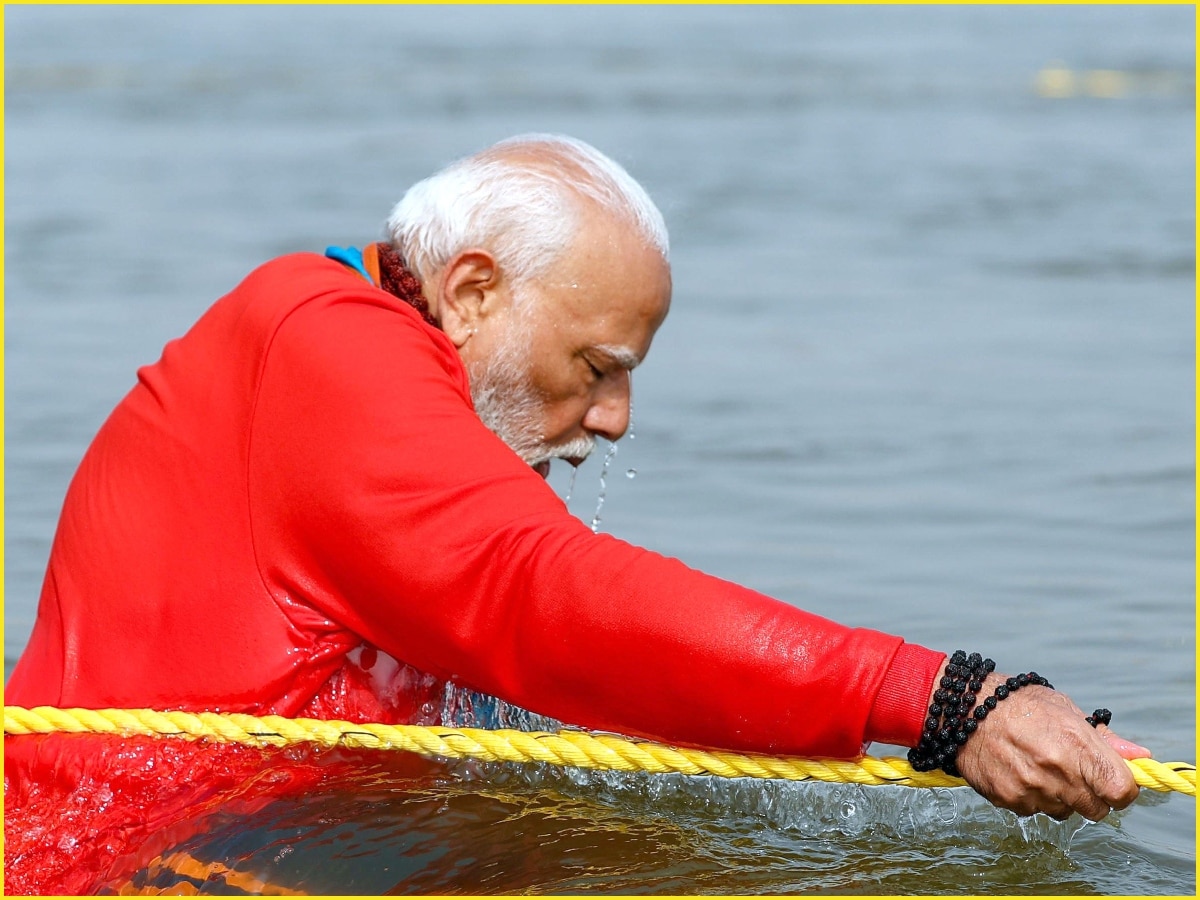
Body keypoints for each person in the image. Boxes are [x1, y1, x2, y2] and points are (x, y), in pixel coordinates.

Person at [7, 134, 1149, 836]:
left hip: (240, 832)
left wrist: (953, 740)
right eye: (597, 369)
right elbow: (539, 592)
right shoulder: (324, 341)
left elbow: (595, 653)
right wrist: (951, 702)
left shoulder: (373, 370)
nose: (614, 418)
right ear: (470, 292)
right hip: (137, 856)